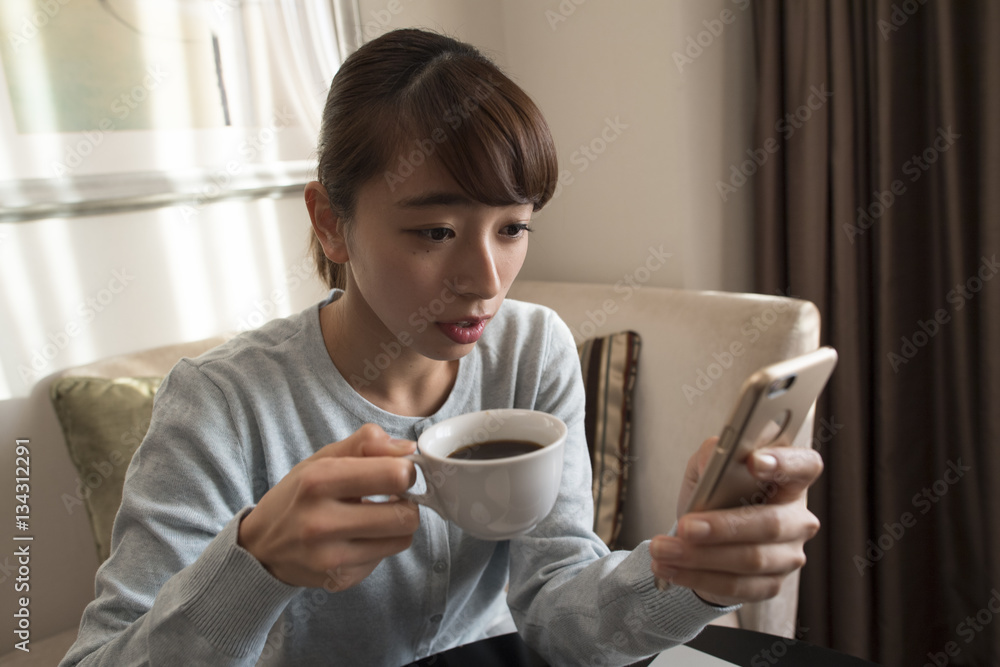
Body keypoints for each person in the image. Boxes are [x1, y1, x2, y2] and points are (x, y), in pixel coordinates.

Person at [61, 28, 822, 666]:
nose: (485, 279)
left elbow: (558, 612)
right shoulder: (223, 403)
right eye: (435, 232)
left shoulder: (532, 351)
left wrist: (684, 574)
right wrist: (256, 563)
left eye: (513, 227)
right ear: (331, 221)